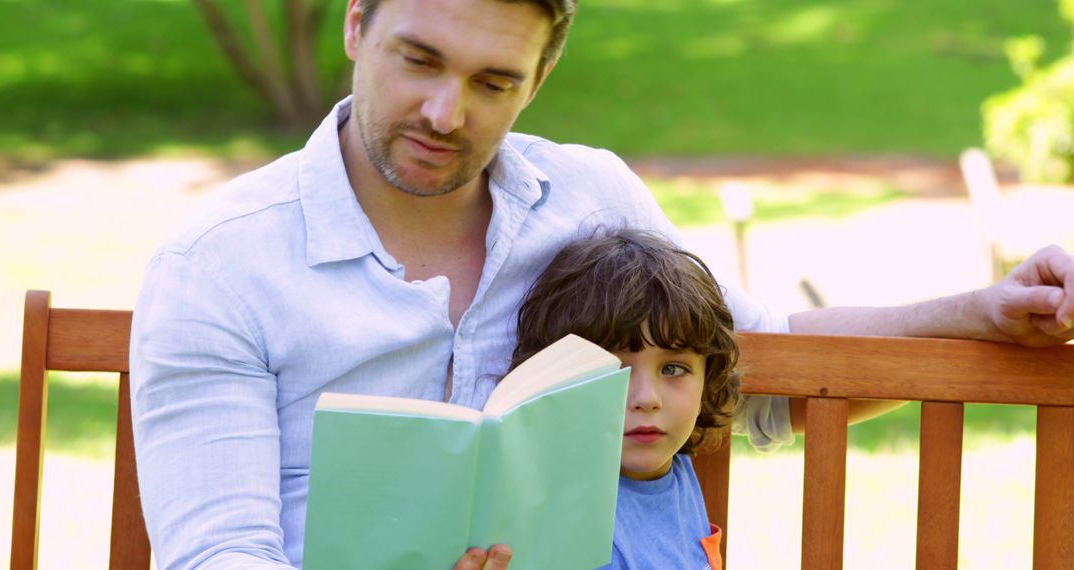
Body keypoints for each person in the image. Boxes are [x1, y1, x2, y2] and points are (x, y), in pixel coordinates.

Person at [129, 0, 1074, 568]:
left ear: (538, 80)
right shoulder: (220, 263)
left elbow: (752, 375)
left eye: (493, 81)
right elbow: (219, 554)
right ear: (355, 25)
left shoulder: (587, 197)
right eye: (418, 59)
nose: (444, 112)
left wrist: (986, 311)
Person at [509, 228, 739, 570]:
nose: (647, 399)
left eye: (674, 369)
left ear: (708, 379)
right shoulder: (557, 514)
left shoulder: (677, 469)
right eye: (614, 369)